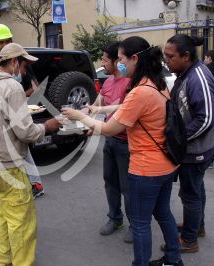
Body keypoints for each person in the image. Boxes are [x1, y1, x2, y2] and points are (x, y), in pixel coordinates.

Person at [62, 36, 183, 266]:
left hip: (146, 169)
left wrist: (80, 116)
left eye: (120, 59)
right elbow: (125, 107)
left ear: (134, 58)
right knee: (163, 213)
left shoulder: (139, 92)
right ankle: (173, 259)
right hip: (166, 164)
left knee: (139, 223)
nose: (118, 64)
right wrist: (99, 107)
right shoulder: (155, 83)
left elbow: (108, 128)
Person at [0, 43, 61, 266]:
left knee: (3, 216)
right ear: (13, 62)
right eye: (23, 66)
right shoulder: (11, 87)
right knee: (22, 222)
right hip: (7, 165)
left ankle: (5, 261)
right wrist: (47, 127)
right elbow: (26, 132)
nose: (24, 72)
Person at [164, 34, 214, 253]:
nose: (167, 61)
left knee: (190, 194)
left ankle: (189, 240)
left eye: (170, 57)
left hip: (198, 149)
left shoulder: (198, 77)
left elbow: (206, 118)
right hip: (193, 147)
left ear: (186, 56)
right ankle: (196, 226)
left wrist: (177, 138)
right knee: (197, 189)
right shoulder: (186, 72)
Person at [81, 41, 132, 242]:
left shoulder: (129, 83)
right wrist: (81, 115)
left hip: (126, 142)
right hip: (109, 140)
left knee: (127, 187)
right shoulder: (108, 82)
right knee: (110, 182)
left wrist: (92, 118)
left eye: (104, 59)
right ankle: (115, 218)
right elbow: (96, 105)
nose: (102, 63)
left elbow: (122, 109)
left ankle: (135, 224)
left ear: (116, 61)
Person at [0, 23, 44, 199]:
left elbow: (36, 88)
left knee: (21, 145)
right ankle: (33, 183)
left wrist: (19, 95)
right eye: (0, 42)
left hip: (17, 111)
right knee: (19, 147)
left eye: (7, 41)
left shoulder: (19, 63)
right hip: (2, 115)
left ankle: (34, 184)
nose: (3, 45)